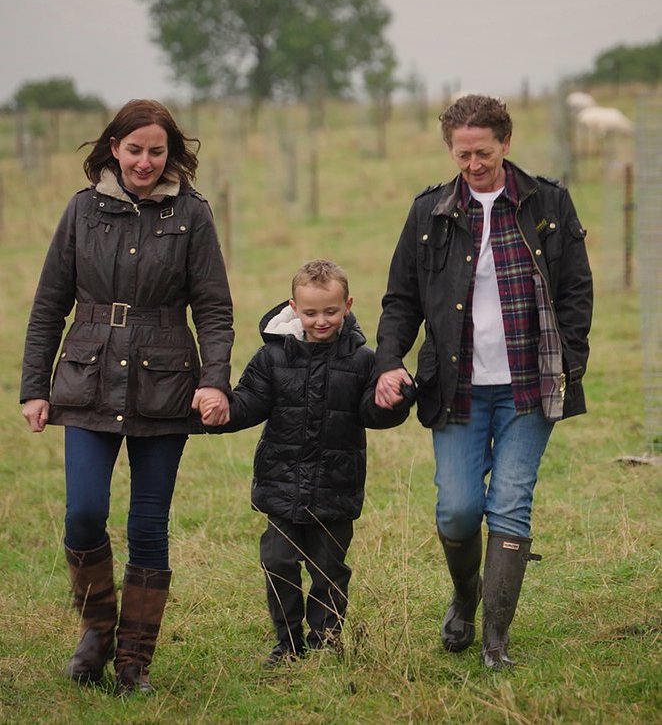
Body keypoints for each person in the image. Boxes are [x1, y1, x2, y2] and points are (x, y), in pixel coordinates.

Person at [20, 99, 234, 694]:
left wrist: (214, 379)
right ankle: (95, 633)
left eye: (156, 151)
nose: (144, 161)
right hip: (86, 379)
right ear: (113, 148)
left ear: (170, 153)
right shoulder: (82, 210)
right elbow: (49, 304)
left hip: (165, 385)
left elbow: (214, 308)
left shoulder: (193, 214)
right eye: (134, 149)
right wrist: (35, 388)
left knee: (148, 525)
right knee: (84, 513)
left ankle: (134, 661)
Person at [374, 94, 592, 669]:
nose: (474, 164)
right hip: (456, 388)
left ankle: (496, 638)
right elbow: (401, 298)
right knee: (458, 509)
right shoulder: (430, 212)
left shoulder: (549, 202)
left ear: (506, 143)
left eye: (484, 153)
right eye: (463, 154)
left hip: (530, 385)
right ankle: (466, 596)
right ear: (450, 149)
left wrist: (571, 358)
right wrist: (388, 360)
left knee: (511, 503)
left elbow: (576, 289)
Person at [204, 259, 414, 666]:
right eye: (311, 312)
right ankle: (288, 643)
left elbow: (372, 413)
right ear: (294, 308)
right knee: (277, 561)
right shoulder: (272, 357)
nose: (321, 321)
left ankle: (325, 641)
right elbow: (249, 403)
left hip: (336, 486)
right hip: (282, 483)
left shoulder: (363, 360)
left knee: (329, 568)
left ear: (347, 306)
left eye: (331, 311)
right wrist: (221, 412)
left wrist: (395, 401)